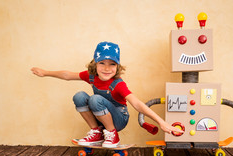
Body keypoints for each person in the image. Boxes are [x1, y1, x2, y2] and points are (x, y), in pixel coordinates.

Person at [31, 41, 183, 148]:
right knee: (79, 96)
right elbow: (67, 75)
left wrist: (161, 122)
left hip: (119, 119)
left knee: (96, 99)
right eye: (102, 63)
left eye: (112, 64)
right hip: (101, 117)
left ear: (117, 67)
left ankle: (112, 135)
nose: (106, 68)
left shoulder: (118, 84)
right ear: (95, 64)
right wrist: (45, 72)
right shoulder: (91, 76)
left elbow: (137, 104)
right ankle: (97, 132)